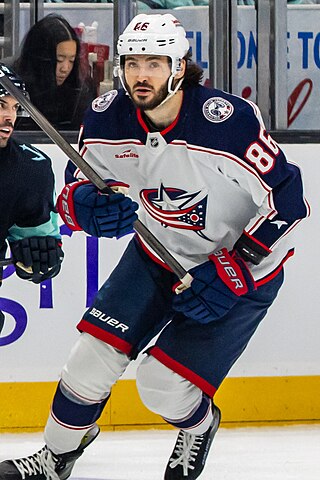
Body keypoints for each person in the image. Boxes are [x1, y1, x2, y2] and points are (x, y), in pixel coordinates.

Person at [0, 12, 309, 480]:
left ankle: (200, 425)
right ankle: (56, 456)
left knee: (161, 385)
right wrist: (84, 206)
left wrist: (238, 266)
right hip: (156, 253)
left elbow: (289, 203)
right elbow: (75, 186)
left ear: (179, 67)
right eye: (132, 63)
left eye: (154, 63)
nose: (141, 75)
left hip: (240, 270)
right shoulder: (107, 116)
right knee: (89, 360)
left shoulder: (226, 122)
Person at [0, 63, 64, 335]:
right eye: (1, 104)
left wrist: (37, 254)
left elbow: (35, 243)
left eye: (15, 108)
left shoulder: (28, 168)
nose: (9, 117)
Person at [9, 14, 96, 131]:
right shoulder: (11, 85)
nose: (65, 68)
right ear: (40, 57)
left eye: (71, 60)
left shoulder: (83, 91)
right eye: (59, 60)